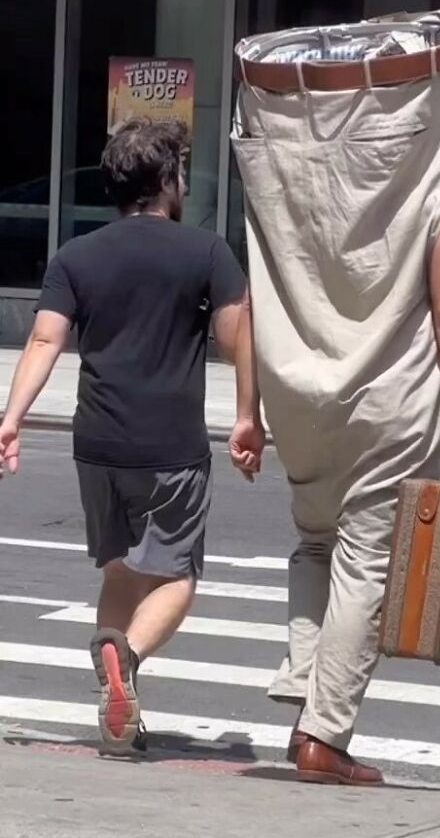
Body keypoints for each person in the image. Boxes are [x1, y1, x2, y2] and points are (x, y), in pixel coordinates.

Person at [230, 12, 440, 786]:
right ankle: (325, 731)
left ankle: (304, 694)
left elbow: (258, 295)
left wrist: (247, 410)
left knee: (317, 539)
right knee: (366, 558)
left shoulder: (282, 163)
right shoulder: (438, 172)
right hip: (389, 393)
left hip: (294, 389)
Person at [0, 118, 264, 756]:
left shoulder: (75, 256)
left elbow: (44, 339)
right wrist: (247, 415)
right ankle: (128, 655)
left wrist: (11, 419)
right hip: (169, 442)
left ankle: (118, 708)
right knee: (175, 576)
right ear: (170, 179)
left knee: (120, 570)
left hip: (97, 442)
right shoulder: (205, 254)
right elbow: (239, 339)